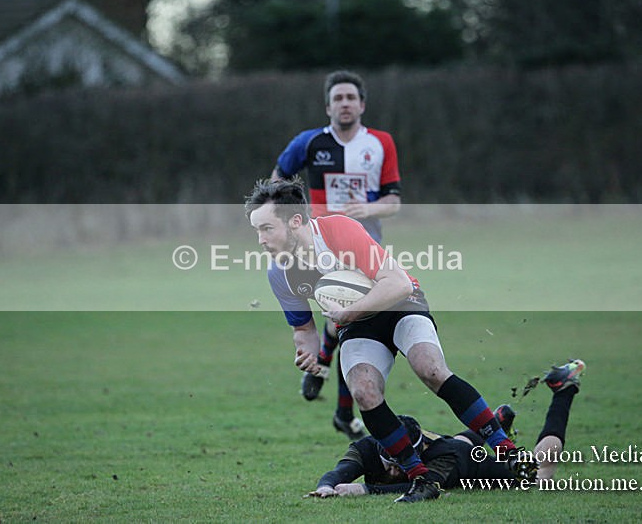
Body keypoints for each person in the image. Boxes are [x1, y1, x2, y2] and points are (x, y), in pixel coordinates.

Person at [244, 178, 536, 503]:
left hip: (399, 303)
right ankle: (420, 478)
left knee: (431, 369)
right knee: (363, 391)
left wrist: (350, 312)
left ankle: (506, 450)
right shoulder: (280, 272)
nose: (260, 239)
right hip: (358, 323)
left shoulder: (339, 231)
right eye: (257, 230)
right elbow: (304, 330)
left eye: (267, 228)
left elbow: (397, 283)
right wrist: (308, 355)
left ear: (295, 220)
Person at [272, 70, 402, 440]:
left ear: (362, 104)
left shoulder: (380, 143)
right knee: (345, 320)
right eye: (338, 98)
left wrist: (368, 210)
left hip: (365, 249)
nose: (344, 103)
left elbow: (393, 203)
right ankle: (342, 406)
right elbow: (278, 182)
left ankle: (326, 371)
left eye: (351, 97)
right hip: (318, 248)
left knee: (348, 322)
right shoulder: (309, 142)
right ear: (328, 106)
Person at [308, 359, 586, 501]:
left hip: (466, 462)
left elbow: (424, 487)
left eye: (400, 464)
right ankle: (496, 422)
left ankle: (563, 389)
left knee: (540, 475)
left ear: (420, 452)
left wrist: (365, 490)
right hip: (456, 442)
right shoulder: (367, 446)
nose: (393, 471)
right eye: (390, 463)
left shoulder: (441, 456)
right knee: (460, 441)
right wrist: (325, 487)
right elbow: (339, 472)